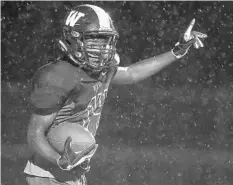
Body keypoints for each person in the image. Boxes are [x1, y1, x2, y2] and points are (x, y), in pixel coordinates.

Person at [24, 4, 207, 185]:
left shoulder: (102, 69)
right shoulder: (57, 76)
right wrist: (60, 161)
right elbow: (34, 134)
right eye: (94, 40)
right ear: (73, 38)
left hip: (71, 174)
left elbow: (131, 73)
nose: (101, 47)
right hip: (47, 174)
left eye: (105, 40)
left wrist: (177, 51)